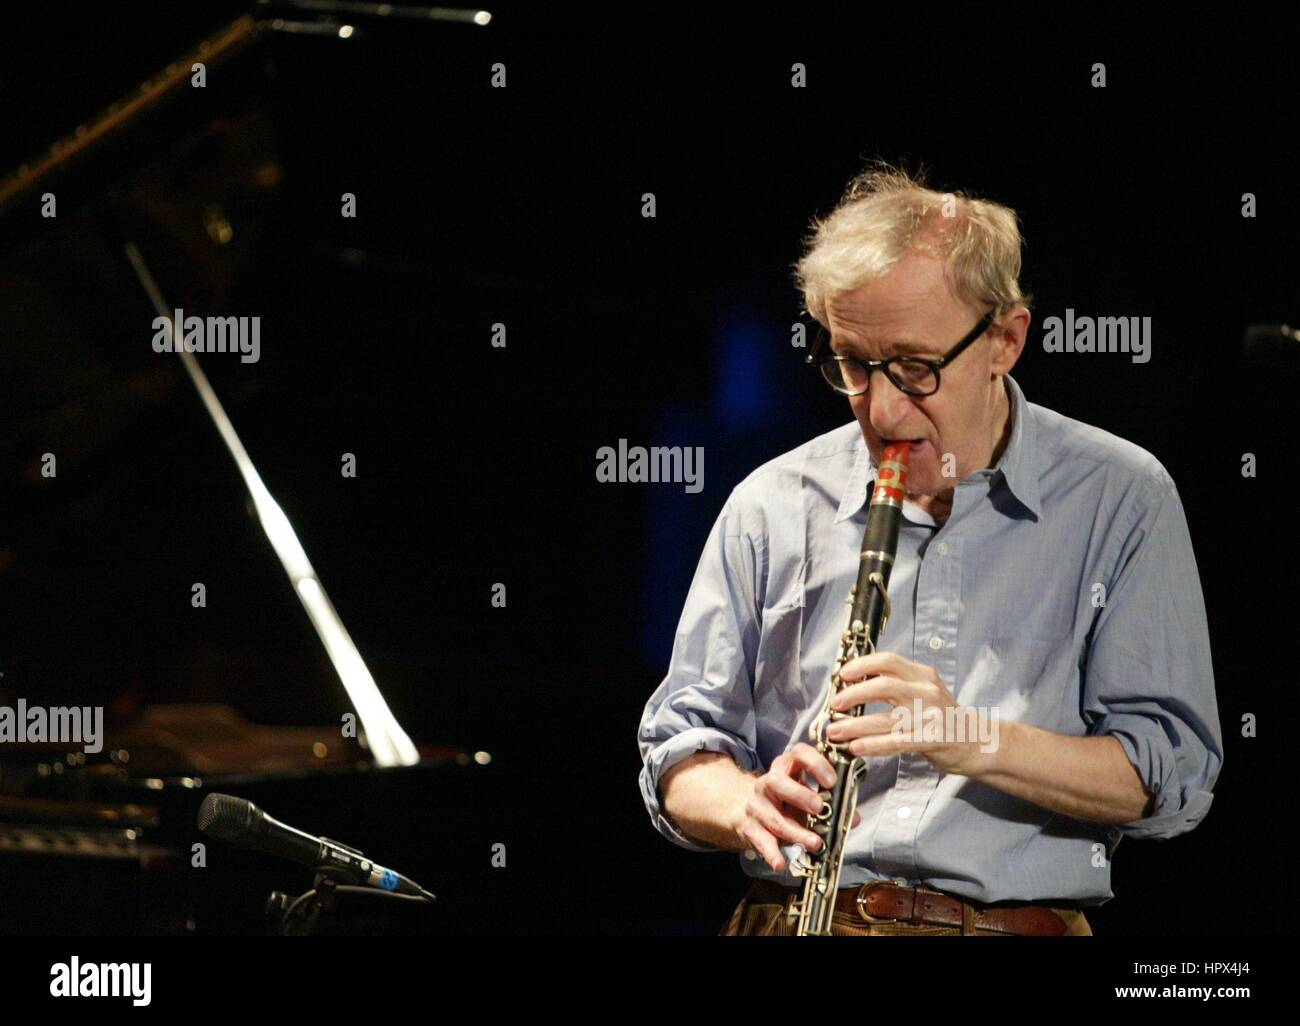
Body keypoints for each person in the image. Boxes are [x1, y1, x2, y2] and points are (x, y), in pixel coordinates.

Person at [636, 161, 1222, 936]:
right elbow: (679, 749)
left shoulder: (1121, 496)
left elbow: (1167, 776)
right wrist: (741, 801)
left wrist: (969, 738)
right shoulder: (770, 504)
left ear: (1005, 340)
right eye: (851, 363)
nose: (880, 408)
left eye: (916, 369)